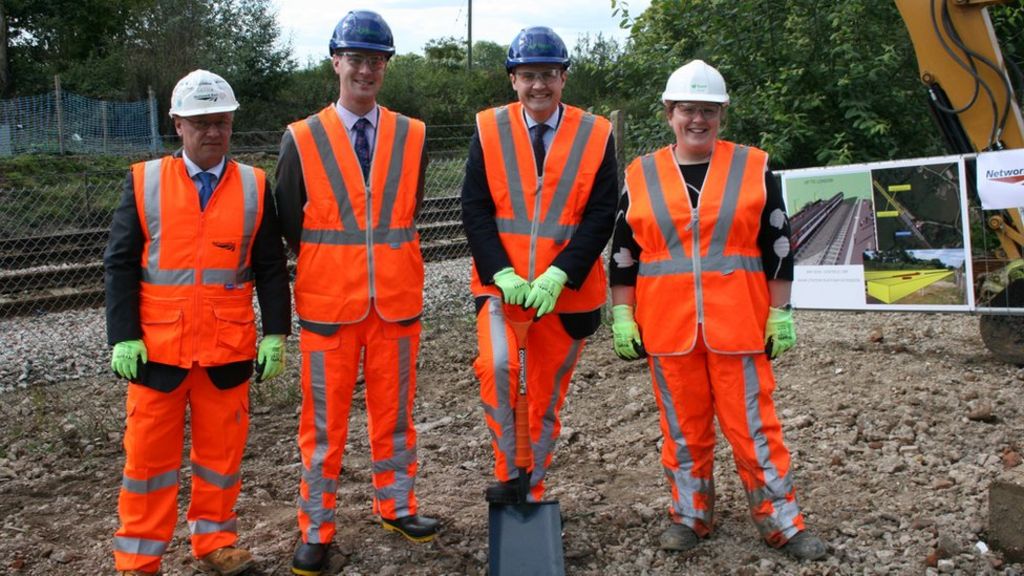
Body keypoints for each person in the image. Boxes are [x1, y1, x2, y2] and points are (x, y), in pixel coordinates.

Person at [608, 59, 827, 560]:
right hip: (666, 329)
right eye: (688, 109)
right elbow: (623, 253)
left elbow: (779, 244)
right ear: (669, 112)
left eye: (709, 110)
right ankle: (690, 516)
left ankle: (782, 522)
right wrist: (622, 315)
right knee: (683, 431)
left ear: (722, 115)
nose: (698, 119)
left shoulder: (753, 166)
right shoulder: (640, 175)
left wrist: (781, 311)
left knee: (754, 429)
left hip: (741, 324)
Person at [104, 69, 291, 576]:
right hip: (157, 353)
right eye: (202, 123)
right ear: (178, 126)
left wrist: (276, 331)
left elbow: (271, 266)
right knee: (147, 463)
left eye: (223, 123)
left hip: (226, 351)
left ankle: (216, 542)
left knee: (221, 458)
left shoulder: (254, 185)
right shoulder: (143, 182)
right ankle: (138, 560)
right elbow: (119, 263)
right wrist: (122, 335)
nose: (213, 132)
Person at [273, 9, 437, 576]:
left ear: (385, 68)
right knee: (322, 429)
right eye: (356, 59)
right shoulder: (302, 137)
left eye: (376, 60)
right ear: (336, 62)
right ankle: (315, 531)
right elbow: (290, 220)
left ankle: (397, 507)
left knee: (395, 418)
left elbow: (407, 209)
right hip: (328, 309)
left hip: (395, 303)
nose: (365, 70)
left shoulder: (412, 134)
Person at [461, 26, 618, 504]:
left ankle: (532, 487)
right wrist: (500, 272)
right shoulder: (489, 129)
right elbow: (475, 208)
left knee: (546, 398)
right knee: (499, 368)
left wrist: (559, 273)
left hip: (566, 292)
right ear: (513, 79)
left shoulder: (596, 134)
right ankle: (510, 472)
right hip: (500, 288)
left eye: (548, 74)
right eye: (528, 75)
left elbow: (600, 214)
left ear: (564, 77)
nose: (538, 86)